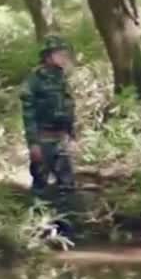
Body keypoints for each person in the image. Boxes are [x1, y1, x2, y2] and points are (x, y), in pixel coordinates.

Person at [20, 35, 80, 244]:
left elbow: (68, 108)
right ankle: (40, 229)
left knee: (67, 185)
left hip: (61, 138)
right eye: (59, 53)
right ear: (47, 56)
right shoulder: (35, 80)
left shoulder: (61, 78)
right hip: (43, 139)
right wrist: (33, 143)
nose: (64, 57)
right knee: (41, 185)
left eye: (65, 53)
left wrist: (72, 135)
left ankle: (64, 231)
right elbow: (28, 114)